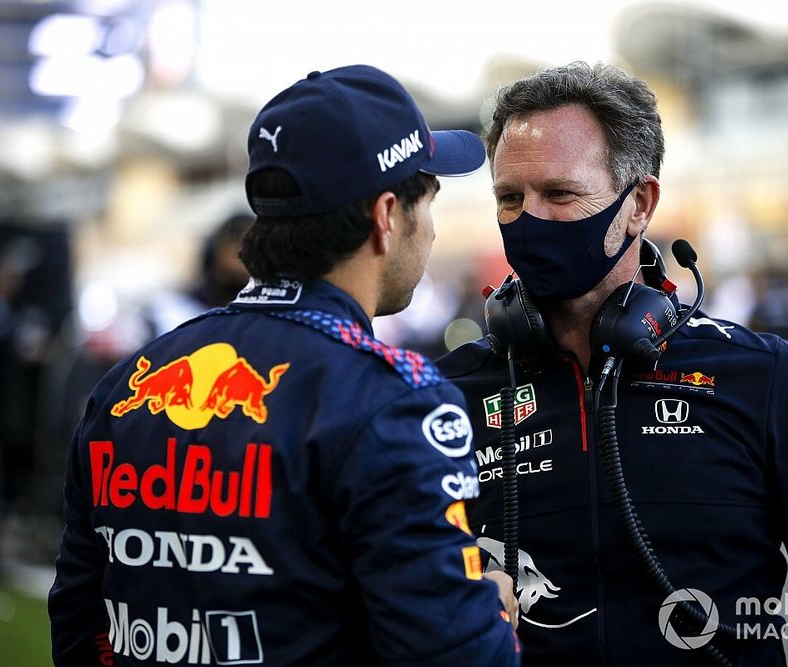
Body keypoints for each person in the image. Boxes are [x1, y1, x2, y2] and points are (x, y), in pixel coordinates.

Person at [49, 64, 520, 666]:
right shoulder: (395, 403)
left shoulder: (130, 383)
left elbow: (78, 628)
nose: (429, 232)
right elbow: (456, 656)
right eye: (427, 202)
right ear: (386, 216)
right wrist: (494, 610)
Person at [438, 61, 788, 665]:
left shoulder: (758, 375)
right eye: (510, 198)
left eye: (560, 194)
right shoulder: (447, 396)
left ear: (639, 204)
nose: (528, 220)